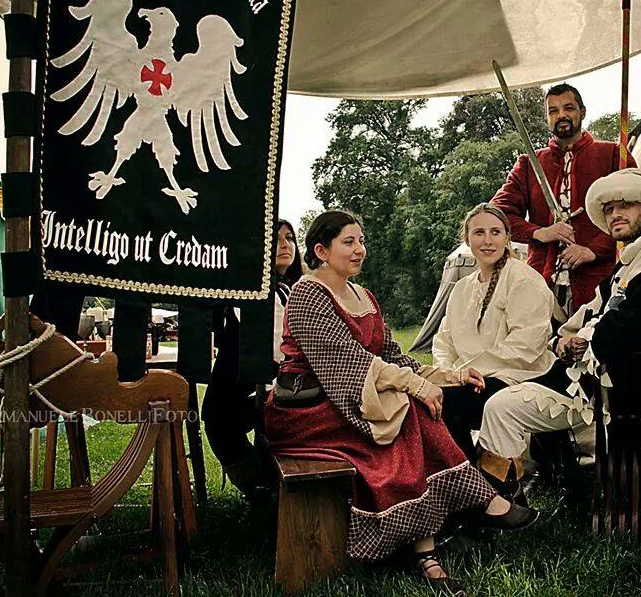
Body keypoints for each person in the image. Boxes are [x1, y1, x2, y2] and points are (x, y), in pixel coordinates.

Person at [264, 210, 537, 593]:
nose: (360, 250)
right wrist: (416, 388)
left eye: (361, 241)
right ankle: (466, 515)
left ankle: (431, 549)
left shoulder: (365, 296)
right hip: (307, 410)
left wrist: (451, 376)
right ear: (321, 251)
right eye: (349, 242)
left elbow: (393, 356)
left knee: (410, 414)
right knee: (407, 412)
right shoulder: (308, 295)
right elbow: (349, 361)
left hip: (347, 402)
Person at [477, 169, 641, 491]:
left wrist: (581, 340)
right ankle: (524, 492)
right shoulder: (635, 257)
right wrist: (565, 337)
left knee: (500, 408)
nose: (615, 215)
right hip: (593, 380)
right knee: (499, 399)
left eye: (625, 206)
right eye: (609, 209)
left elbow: (633, 325)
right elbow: (594, 308)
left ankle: (498, 502)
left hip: (617, 387)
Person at [492, 83, 638, 315]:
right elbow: (497, 215)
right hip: (541, 283)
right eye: (553, 110)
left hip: (600, 282)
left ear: (582, 112)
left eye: (568, 108)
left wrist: (592, 250)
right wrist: (540, 232)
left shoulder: (613, 155)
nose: (561, 115)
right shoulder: (530, 164)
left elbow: (635, 215)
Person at [433, 203, 555, 461]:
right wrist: (448, 374)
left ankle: (471, 476)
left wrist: (468, 373)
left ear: (507, 237)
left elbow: (526, 346)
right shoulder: (462, 288)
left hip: (517, 376)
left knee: (447, 403)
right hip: (468, 378)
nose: (487, 241)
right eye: (479, 233)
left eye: (495, 232)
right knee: (430, 398)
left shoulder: (523, 279)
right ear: (467, 239)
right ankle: (468, 474)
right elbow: (444, 341)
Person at [202, 218, 303, 501]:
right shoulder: (253, 289)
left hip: (271, 383)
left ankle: (264, 487)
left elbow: (284, 346)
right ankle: (259, 486)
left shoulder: (289, 289)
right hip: (245, 383)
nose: (285, 245)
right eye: (275, 239)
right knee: (219, 423)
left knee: (222, 423)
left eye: (289, 238)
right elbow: (275, 345)